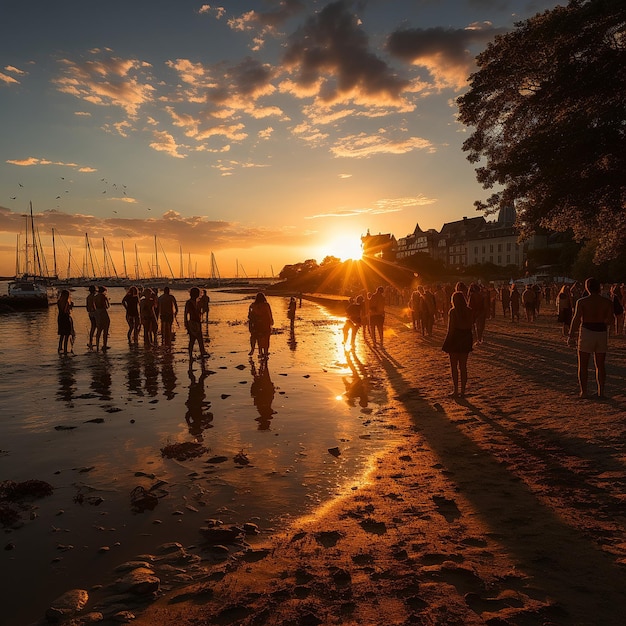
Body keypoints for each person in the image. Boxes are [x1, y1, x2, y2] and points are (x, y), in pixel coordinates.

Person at [567, 277, 615, 398]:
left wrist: (571, 334)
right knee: (600, 364)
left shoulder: (582, 302)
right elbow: (610, 320)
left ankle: (584, 391)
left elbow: (576, 318)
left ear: (587, 287)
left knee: (583, 364)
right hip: (601, 332)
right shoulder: (607, 302)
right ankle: (601, 391)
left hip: (587, 331)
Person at [442, 291, 474, 398]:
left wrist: (446, 342)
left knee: (454, 367)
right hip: (466, 337)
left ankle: (455, 390)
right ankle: (463, 391)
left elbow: (450, 329)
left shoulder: (453, 312)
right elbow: (471, 326)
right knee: (463, 367)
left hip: (455, 338)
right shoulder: (469, 311)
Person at [184, 287, 208, 366]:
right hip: (192, 322)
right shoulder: (189, 302)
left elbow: (201, 311)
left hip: (198, 322)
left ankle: (202, 353)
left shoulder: (198, 302)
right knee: (193, 340)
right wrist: (186, 324)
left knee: (199, 339)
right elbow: (186, 314)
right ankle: (191, 355)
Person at [248, 292, 274, 359]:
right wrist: (271, 321)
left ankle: (259, 352)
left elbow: (249, 315)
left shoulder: (252, 305)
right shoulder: (266, 305)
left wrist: (251, 324)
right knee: (266, 339)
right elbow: (269, 313)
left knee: (258, 338)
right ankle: (265, 352)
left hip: (257, 324)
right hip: (265, 324)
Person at [57, 289, 74, 354]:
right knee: (67, 334)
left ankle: (60, 347)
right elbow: (66, 311)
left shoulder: (59, 301)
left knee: (62, 334)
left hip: (60, 317)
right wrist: (70, 306)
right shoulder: (66, 302)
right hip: (66, 318)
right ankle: (65, 350)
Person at [93, 285, 111, 351]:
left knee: (99, 330)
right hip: (103, 312)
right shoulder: (103, 297)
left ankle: (97, 345)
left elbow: (94, 306)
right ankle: (104, 345)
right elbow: (106, 306)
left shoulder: (95, 297)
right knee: (105, 330)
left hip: (97, 312)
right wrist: (108, 301)